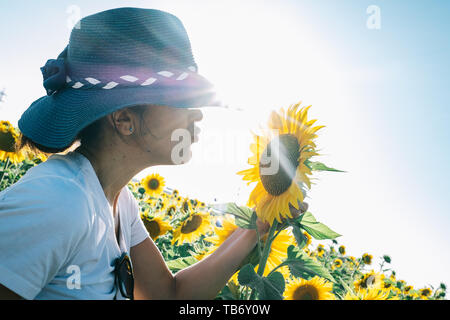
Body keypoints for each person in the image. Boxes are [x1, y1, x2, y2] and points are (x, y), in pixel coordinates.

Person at [0, 7, 305, 300]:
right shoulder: (57, 201)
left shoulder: (119, 202)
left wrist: (254, 229)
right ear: (124, 120)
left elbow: (168, 295)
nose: (197, 115)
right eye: (180, 103)